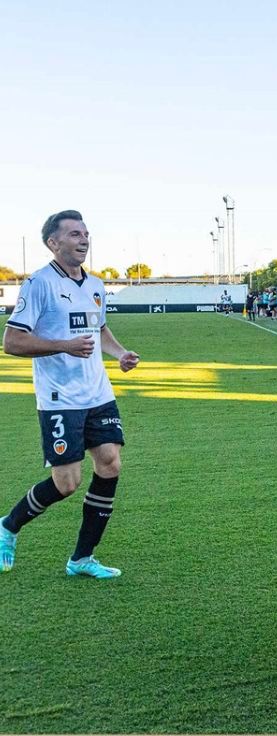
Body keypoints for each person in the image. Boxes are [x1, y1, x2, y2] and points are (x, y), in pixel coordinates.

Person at [0, 210, 140, 578]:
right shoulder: (39, 284)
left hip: (98, 394)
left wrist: (120, 353)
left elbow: (100, 330)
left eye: (86, 233)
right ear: (53, 242)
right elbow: (12, 341)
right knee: (67, 483)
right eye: (75, 234)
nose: (84, 239)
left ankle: (81, 558)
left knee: (110, 463)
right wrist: (63, 345)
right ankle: (8, 525)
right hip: (60, 399)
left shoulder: (94, 285)